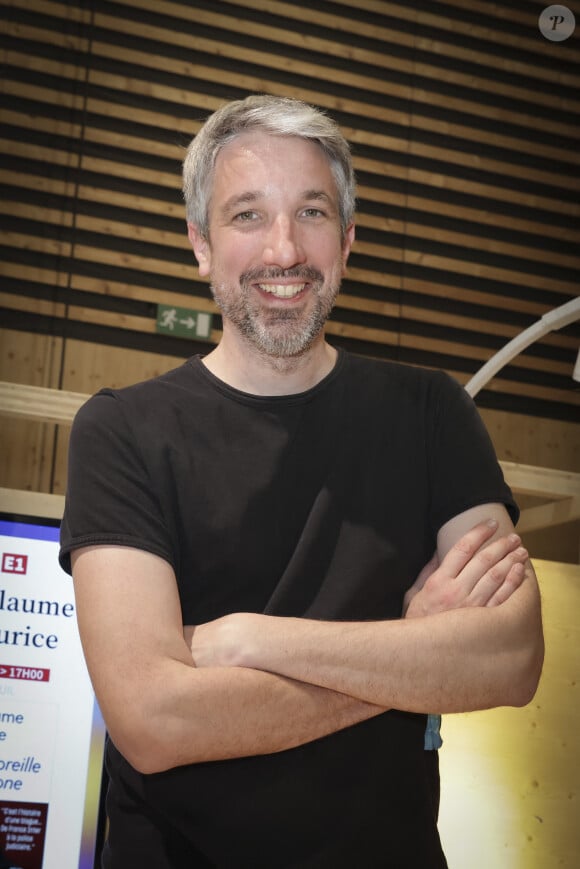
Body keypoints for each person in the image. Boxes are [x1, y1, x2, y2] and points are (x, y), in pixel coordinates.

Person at [59, 94, 544, 868]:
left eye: (311, 213)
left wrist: (253, 639)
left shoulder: (430, 412)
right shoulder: (122, 430)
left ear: (347, 243)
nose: (284, 250)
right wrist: (415, 657)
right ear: (200, 244)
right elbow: (152, 722)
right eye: (247, 215)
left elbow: (512, 657)